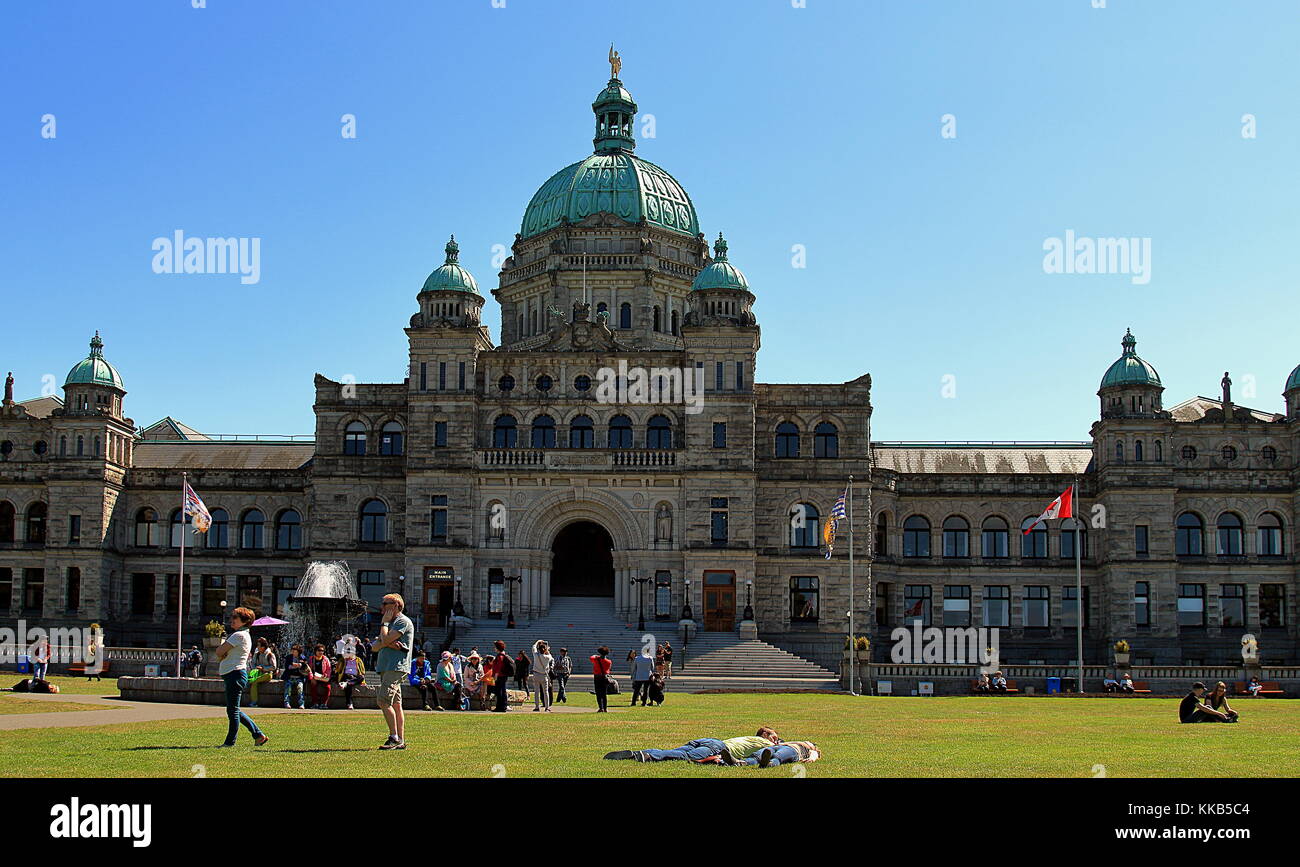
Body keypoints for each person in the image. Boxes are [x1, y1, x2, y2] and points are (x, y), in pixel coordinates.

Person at [214, 606, 269, 748]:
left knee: (232, 710)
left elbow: (219, 651)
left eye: (235, 618)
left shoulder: (238, 636)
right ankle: (258, 735)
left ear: (244, 621)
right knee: (234, 709)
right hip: (234, 674)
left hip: (235, 674)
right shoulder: (243, 635)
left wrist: (223, 652)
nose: (231, 620)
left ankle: (230, 742)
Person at [371, 593, 415, 749]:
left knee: (382, 700)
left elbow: (384, 640)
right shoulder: (393, 623)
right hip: (386, 666)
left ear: (396, 605)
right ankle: (400, 740)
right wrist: (387, 641)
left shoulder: (402, 621)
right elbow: (375, 647)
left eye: (385, 603)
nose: (382, 606)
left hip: (395, 667)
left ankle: (394, 737)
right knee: (396, 704)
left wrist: (384, 625)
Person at [605, 728, 780, 764]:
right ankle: (649, 757)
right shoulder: (764, 742)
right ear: (765, 735)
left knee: (677, 751)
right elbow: (787, 746)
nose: (777, 741)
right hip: (717, 747)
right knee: (687, 757)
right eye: (775, 737)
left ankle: (641, 752)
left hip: (710, 740)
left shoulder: (751, 738)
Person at [744, 740, 821, 768]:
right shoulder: (789, 742)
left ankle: (769, 764)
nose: (807, 741)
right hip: (776, 746)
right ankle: (741, 763)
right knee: (757, 756)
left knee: (777, 756)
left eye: (810, 743)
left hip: (793, 750)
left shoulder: (808, 749)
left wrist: (812, 758)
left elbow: (815, 754)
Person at [248, 637, 277, 708]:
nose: (257, 647)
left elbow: (274, 667)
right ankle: (253, 702)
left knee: (254, 681)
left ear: (263, 647)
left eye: (258, 645)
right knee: (253, 681)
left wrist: (263, 668)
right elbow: (253, 664)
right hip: (258, 673)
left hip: (267, 674)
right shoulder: (257, 654)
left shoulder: (270, 655)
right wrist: (256, 668)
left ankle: (254, 702)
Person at [530, 640, 554, 712]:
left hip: (536, 674)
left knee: (537, 692)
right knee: (545, 692)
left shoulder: (536, 655)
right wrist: (547, 650)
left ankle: (537, 707)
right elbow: (551, 658)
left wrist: (538, 641)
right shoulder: (547, 657)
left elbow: (533, 647)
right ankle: (547, 707)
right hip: (544, 675)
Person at [282, 644, 308, 708]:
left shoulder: (303, 657)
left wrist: (300, 665)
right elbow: (287, 667)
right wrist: (297, 665)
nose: (293, 652)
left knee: (300, 688)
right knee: (288, 689)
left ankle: (301, 703)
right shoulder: (288, 657)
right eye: (292, 650)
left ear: (298, 652)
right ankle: (287, 703)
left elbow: (305, 666)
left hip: (299, 677)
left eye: (295, 651)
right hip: (289, 677)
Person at [307, 644, 333, 709]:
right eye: (319, 650)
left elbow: (328, 669)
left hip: (323, 677)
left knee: (328, 687)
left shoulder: (325, 659)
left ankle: (324, 703)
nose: (321, 652)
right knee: (313, 686)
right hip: (315, 677)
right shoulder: (311, 659)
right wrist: (311, 678)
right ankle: (315, 703)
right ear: (315, 651)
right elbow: (309, 669)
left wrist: (326, 675)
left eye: (322, 651)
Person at [490, 640, 513, 712]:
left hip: (500, 676)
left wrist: (495, 675)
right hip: (503, 676)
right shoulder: (503, 655)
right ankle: (503, 706)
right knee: (502, 691)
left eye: (495, 647)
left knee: (499, 692)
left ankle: (500, 707)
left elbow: (498, 667)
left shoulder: (500, 656)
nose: (494, 648)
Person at [591, 645, 613, 713]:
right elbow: (608, 669)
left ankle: (601, 708)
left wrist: (596, 656)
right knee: (604, 694)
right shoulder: (609, 661)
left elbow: (591, 657)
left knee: (598, 693)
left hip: (597, 677)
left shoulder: (596, 659)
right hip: (604, 677)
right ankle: (605, 708)